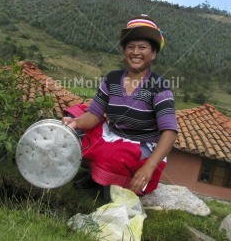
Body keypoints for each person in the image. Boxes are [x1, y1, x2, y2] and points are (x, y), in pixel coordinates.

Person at [62, 14, 178, 197]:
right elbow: (94, 114)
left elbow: (170, 132)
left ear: (153, 53)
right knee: (72, 130)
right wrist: (75, 123)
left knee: (111, 155)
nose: (135, 52)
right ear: (124, 51)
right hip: (113, 134)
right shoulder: (112, 79)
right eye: (130, 47)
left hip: (142, 145)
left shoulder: (159, 87)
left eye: (143, 47)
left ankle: (108, 183)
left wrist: (149, 167)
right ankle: (94, 175)